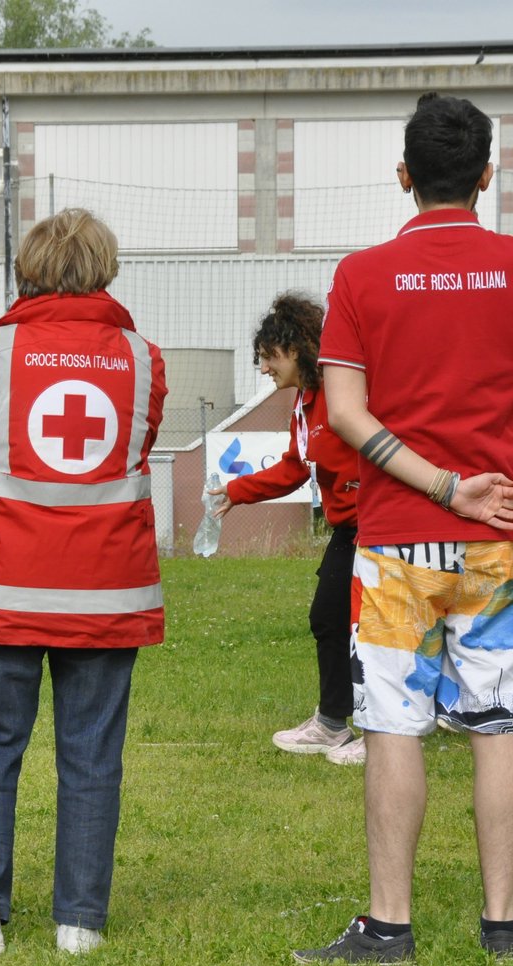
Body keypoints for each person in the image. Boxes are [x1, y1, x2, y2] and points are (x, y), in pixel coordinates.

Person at [302, 92, 513, 966]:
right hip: (505, 530)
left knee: (394, 727)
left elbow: (344, 412)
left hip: (402, 531)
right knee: (500, 725)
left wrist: (444, 484)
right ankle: (502, 927)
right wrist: (473, 479)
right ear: (487, 175)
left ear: (403, 177)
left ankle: (389, 925)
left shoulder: (360, 275)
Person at [0, 208, 165, 958]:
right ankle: (80, 922)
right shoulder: (145, 359)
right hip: (104, 592)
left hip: (0, 589)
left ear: (27, 269)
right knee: (93, 753)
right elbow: (137, 442)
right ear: (105, 269)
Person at [210, 293, 364, 766]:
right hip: (350, 527)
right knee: (328, 617)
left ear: (295, 349)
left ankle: (385, 731)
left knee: (371, 628)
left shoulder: (346, 390)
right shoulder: (304, 402)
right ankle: (333, 724)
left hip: (378, 523)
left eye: (267, 357)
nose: (263, 369)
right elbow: (296, 467)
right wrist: (235, 492)